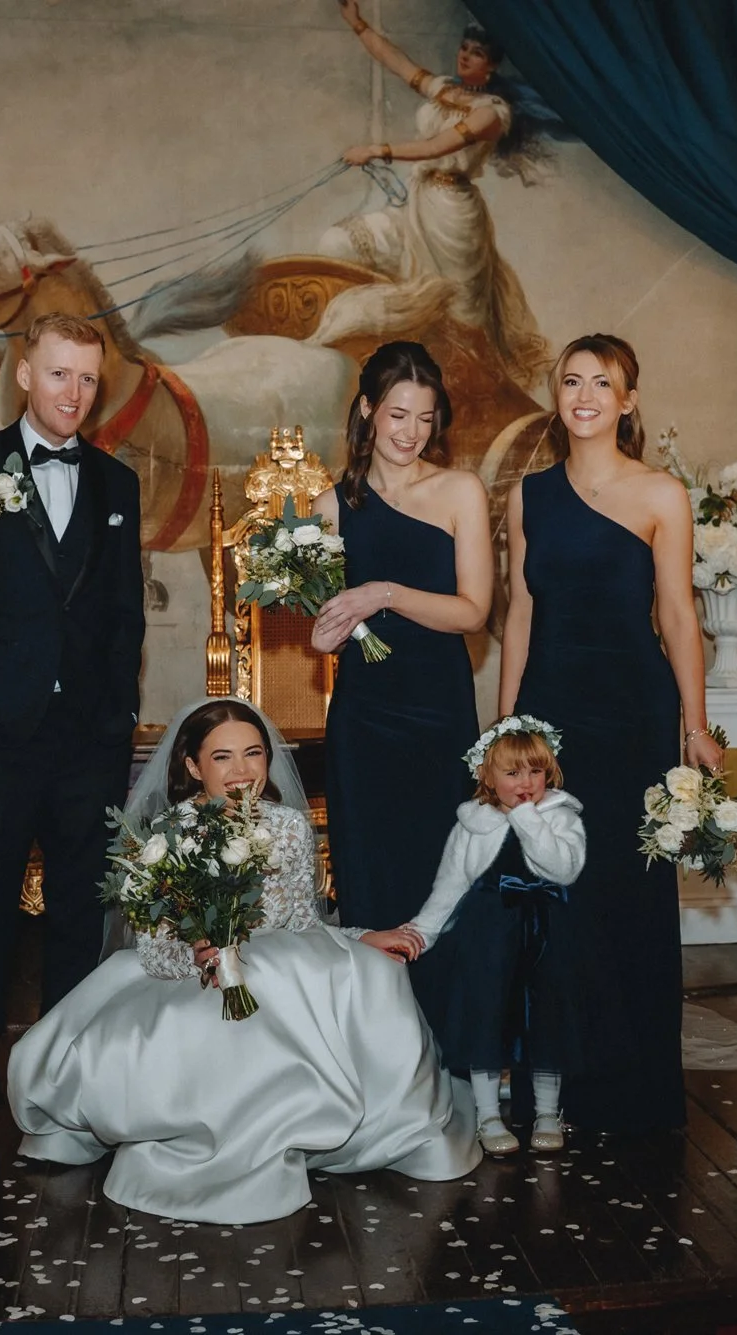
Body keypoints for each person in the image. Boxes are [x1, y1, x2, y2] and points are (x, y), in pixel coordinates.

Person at [8, 699, 479, 1225]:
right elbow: (153, 945)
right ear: (192, 766)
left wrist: (363, 936)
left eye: (254, 753)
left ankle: (357, 1122)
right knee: (241, 992)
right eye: (223, 757)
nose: (241, 770)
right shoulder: (168, 834)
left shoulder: (290, 827)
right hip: (186, 967)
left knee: (372, 973)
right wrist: (198, 953)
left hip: (282, 956)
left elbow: (304, 920)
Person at [0, 312, 146, 1173]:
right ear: (24, 375)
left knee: (79, 927)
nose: (75, 395)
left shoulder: (117, 484)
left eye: (88, 379)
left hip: (87, 742)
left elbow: (124, 617)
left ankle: (59, 1095)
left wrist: (118, 715)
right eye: (60, 376)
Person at [496, 332, 723, 1135]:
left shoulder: (662, 494)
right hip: (553, 715)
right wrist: (506, 726)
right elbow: (519, 613)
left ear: (628, 401)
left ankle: (631, 1086)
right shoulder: (528, 496)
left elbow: (677, 616)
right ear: (555, 395)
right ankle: (553, 1087)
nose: (585, 393)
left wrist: (694, 725)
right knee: (552, 900)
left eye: (604, 382)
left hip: (632, 713)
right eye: (571, 380)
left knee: (628, 896)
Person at [308, 341, 492, 1029]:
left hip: (439, 717)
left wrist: (381, 592)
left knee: (448, 881)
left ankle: (456, 1044)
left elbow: (474, 610)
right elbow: (328, 626)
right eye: (397, 415)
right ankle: (383, 1050)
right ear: (366, 411)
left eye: (425, 417)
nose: (411, 432)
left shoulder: (459, 491)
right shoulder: (330, 505)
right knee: (373, 882)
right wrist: (324, 631)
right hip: (364, 725)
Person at [315, 4, 552, 390]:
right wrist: (358, 25)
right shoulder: (445, 88)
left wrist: (377, 150)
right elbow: (396, 60)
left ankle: (464, 394)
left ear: (491, 65)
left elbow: (441, 145)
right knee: (338, 242)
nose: (464, 55)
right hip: (417, 204)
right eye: (464, 48)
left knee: (459, 318)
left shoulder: (492, 112)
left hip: (454, 218)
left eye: (475, 52)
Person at [395, 717, 586, 1156]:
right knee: (485, 1021)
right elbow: (449, 886)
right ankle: (487, 1115)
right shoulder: (473, 824)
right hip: (487, 939)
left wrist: (528, 819)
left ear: (549, 773)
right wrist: (421, 931)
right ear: (486, 776)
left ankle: (546, 1112)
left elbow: (563, 868)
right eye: (512, 773)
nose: (526, 782)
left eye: (535, 772)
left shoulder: (561, 817)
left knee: (546, 1023)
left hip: (546, 938)